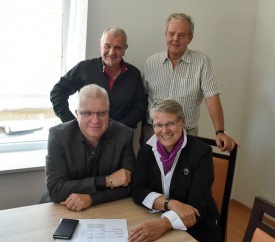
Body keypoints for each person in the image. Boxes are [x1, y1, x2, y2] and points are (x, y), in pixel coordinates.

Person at [142, 12, 237, 152]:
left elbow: (212, 97)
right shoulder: (151, 63)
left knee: (183, 173)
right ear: (166, 35)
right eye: (171, 33)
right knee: (150, 173)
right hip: (152, 133)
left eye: (182, 35)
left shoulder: (202, 62)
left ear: (190, 38)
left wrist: (220, 132)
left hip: (186, 135)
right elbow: (142, 98)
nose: (175, 39)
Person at [130, 99, 220, 242]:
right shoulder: (147, 149)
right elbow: (137, 189)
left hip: (196, 227)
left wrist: (162, 225)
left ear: (182, 122)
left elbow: (196, 205)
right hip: (156, 216)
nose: (165, 130)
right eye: (158, 125)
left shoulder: (201, 153)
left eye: (171, 123)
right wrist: (170, 203)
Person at [42, 84, 135, 211]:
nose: (95, 120)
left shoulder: (124, 134)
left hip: (105, 209)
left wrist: (91, 198)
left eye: (101, 113)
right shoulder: (58, 136)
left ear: (108, 113)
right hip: (60, 208)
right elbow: (56, 190)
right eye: (87, 113)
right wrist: (107, 181)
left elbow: (129, 185)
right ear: (77, 114)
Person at [50, 27, 147, 129]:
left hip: (122, 139)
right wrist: (72, 124)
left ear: (125, 49)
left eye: (117, 47)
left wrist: (120, 128)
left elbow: (140, 106)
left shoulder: (134, 74)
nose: (111, 52)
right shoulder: (85, 68)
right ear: (101, 46)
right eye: (107, 46)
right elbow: (57, 92)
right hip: (87, 139)